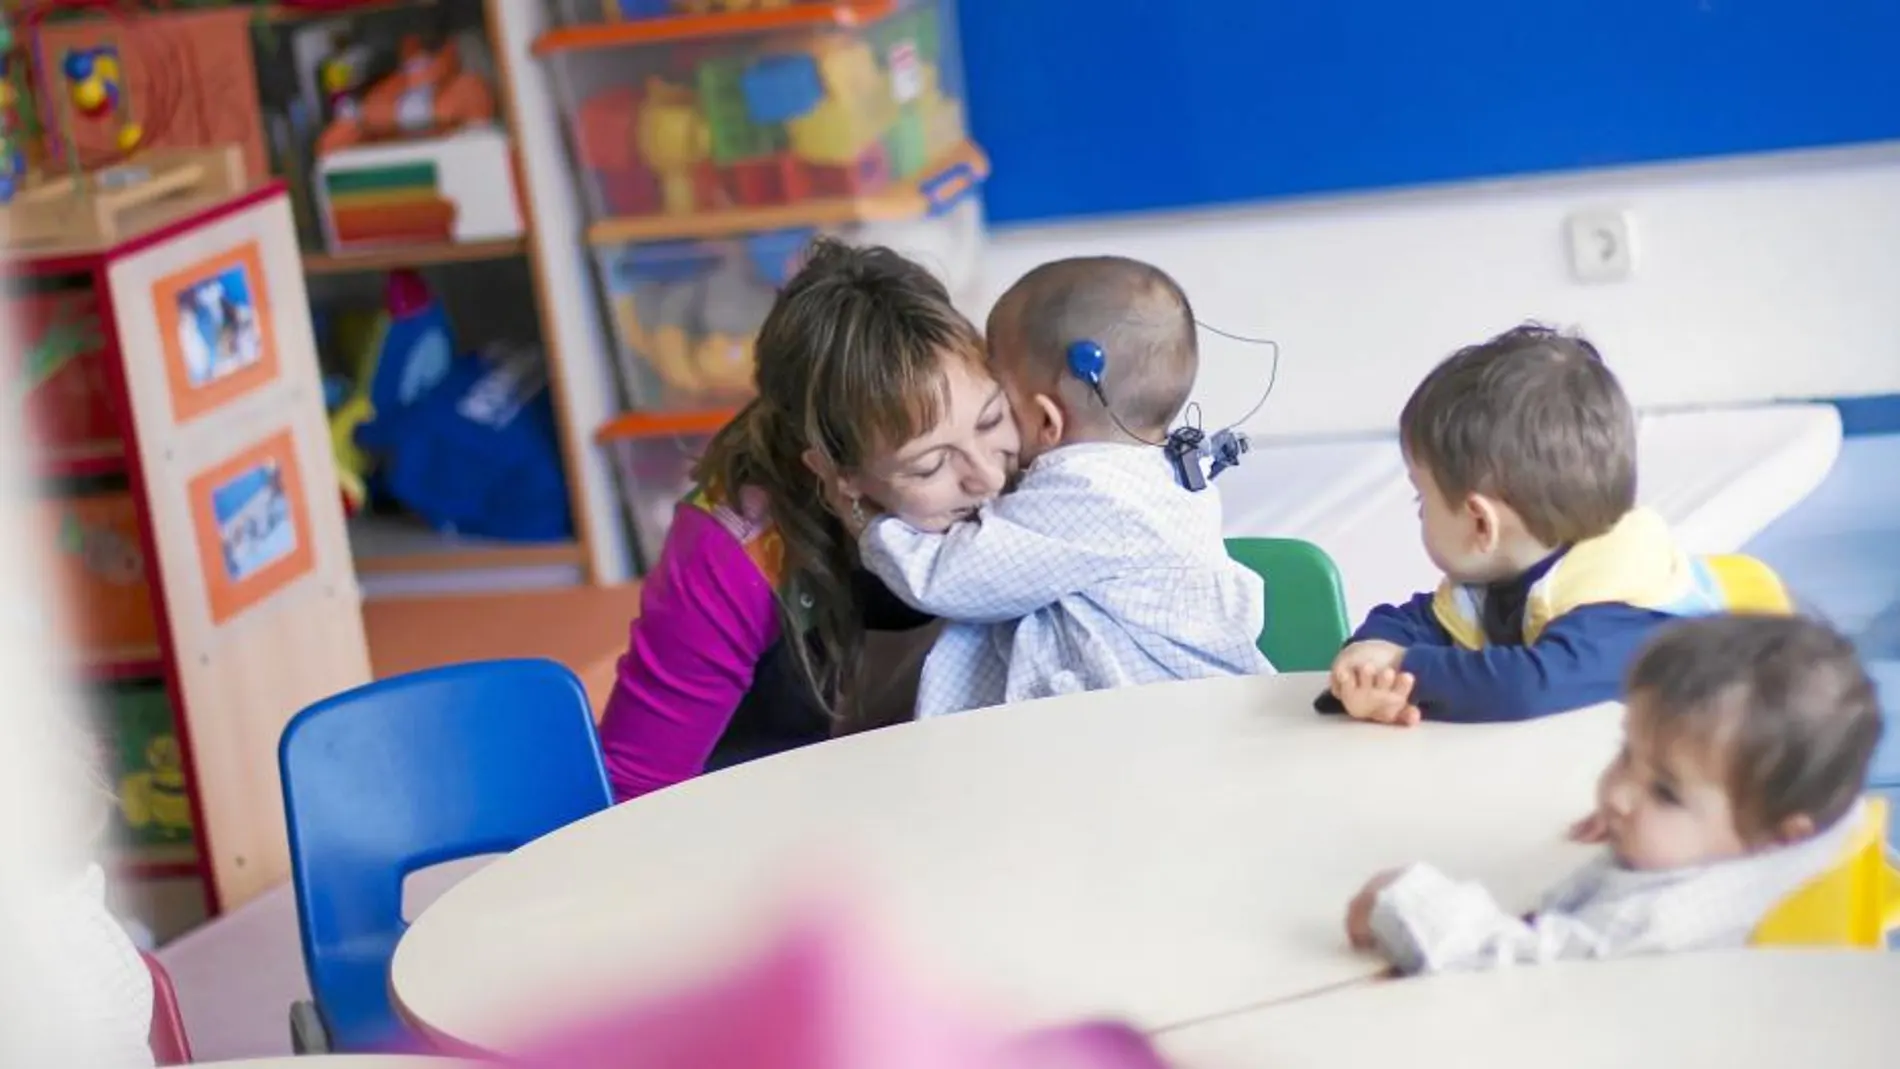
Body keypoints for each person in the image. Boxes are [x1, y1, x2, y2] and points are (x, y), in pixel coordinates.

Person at [596, 241, 1020, 802]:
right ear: (839, 473)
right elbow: (633, 790)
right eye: (931, 463)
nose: (987, 476)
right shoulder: (732, 554)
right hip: (769, 815)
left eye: (991, 420)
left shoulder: (1036, 447)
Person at [1345, 613, 1884, 974]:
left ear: (1775, 832)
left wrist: (1406, 897)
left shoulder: (1660, 922)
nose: (1621, 794)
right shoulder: (1805, 821)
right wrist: (1658, 817)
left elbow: (1515, 966)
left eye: (1666, 792)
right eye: (1628, 754)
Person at [856, 256, 1269, 718]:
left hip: (1161, 730)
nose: (985, 469)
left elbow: (947, 578)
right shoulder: (1157, 473)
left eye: (997, 411)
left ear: (1047, 420)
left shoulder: (1090, 493)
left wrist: (872, 523)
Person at [1319, 324, 1728, 726]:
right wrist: (1371, 659)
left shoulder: (1618, 603)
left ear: (1482, 524)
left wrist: (1408, 668)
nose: (1421, 513)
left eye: (1421, 498)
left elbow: (1529, 686)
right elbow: (1417, 620)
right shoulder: (1499, 578)